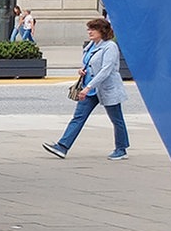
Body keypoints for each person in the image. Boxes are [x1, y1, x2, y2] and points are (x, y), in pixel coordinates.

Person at [43, 17, 131, 160]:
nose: (89, 32)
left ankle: (121, 149)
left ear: (102, 31)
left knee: (116, 119)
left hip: (105, 88)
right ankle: (62, 146)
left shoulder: (110, 47)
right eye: (89, 29)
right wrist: (83, 70)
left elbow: (106, 70)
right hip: (89, 89)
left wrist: (88, 87)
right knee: (78, 117)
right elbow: (89, 62)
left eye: (92, 29)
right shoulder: (91, 45)